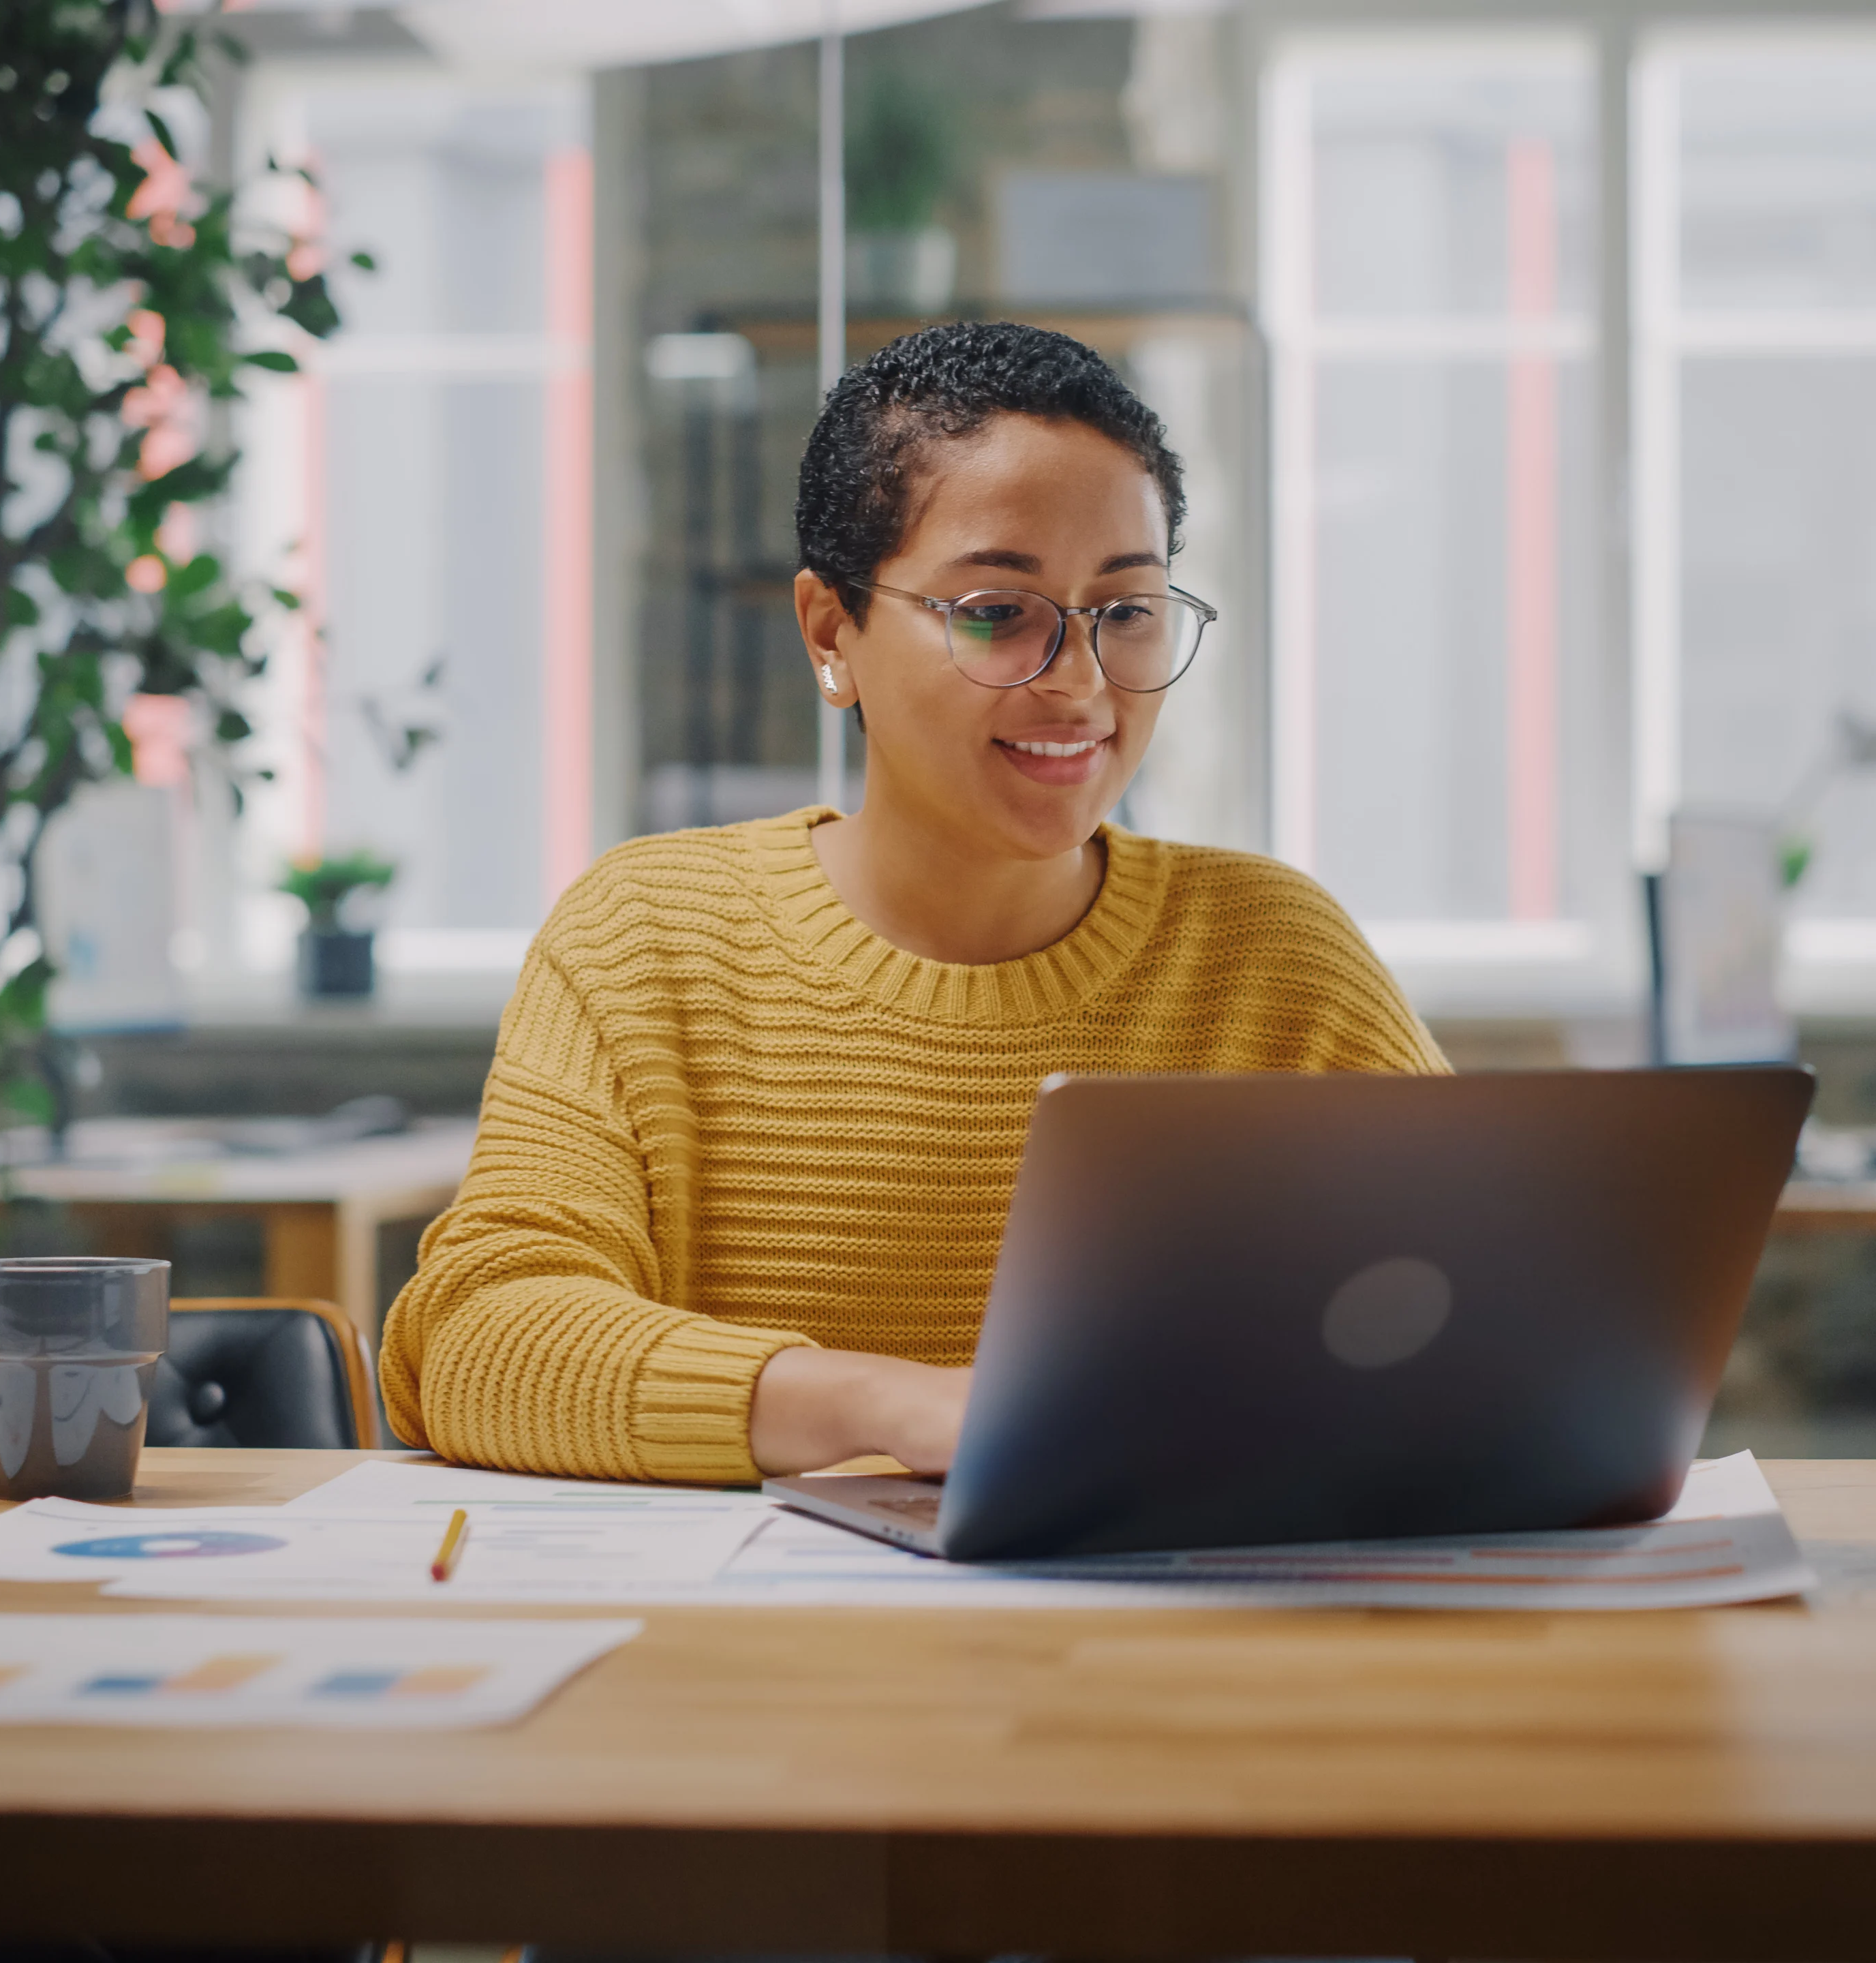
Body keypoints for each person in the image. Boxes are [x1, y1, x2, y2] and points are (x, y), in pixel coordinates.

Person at [380, 321, 1445, 1484]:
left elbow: (1494, 1313)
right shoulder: (648, 939)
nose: (1081, 684)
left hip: (1176, 1633)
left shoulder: (1275, 956)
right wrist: (893, 1407)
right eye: (998, 611)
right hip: (769, 1656)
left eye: (1127, 613)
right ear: (833, 634)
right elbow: (480, 1338)